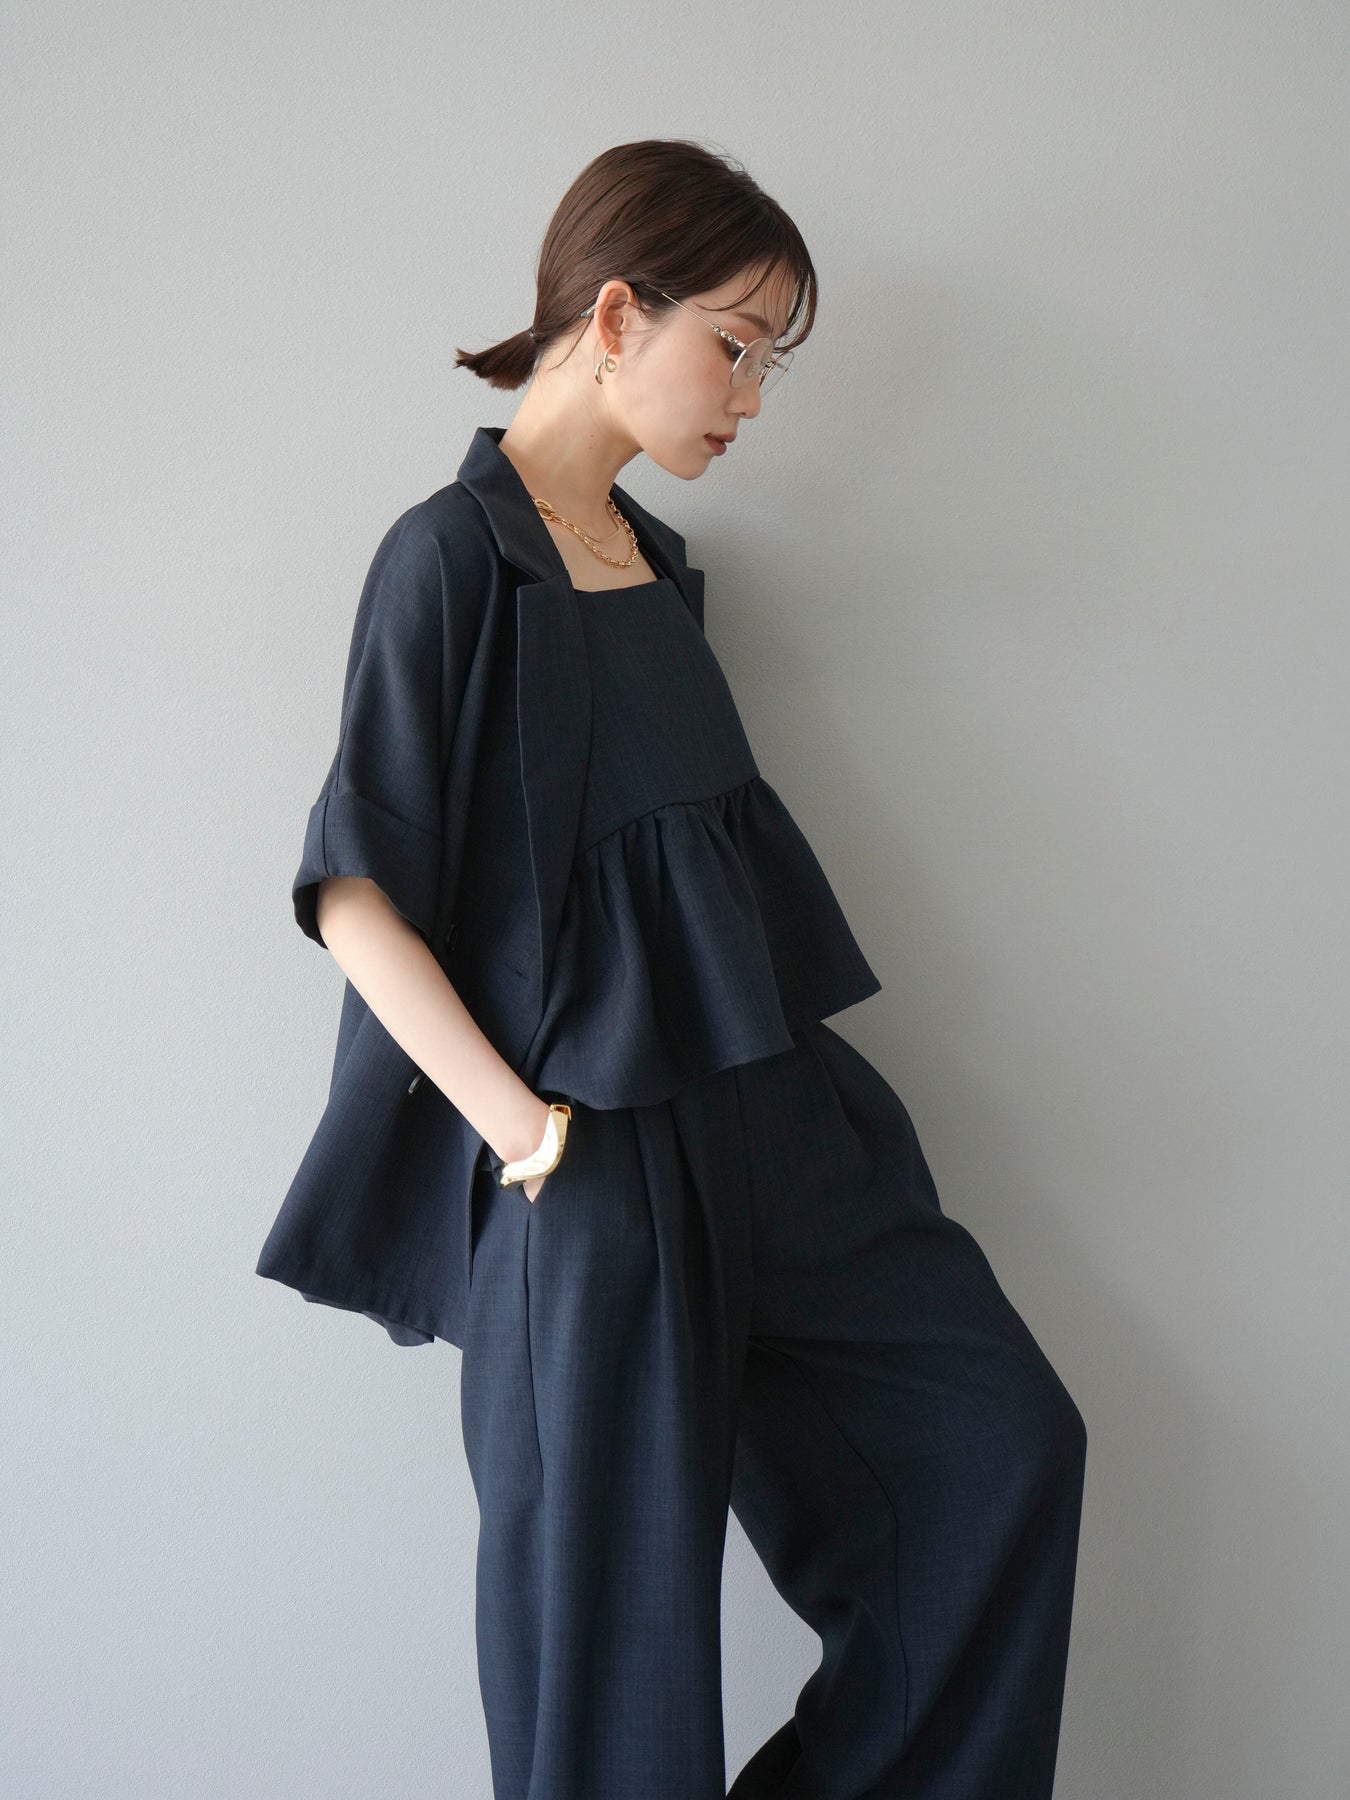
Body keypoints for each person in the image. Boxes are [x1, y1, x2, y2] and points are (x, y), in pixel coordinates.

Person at [257, 138, 1087, 1800]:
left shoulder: (658, 564)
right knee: (612, 1650)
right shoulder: (448, 556)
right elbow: (356, 892)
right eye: (738, 346)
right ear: (618, 315)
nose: (752, 399)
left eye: (773, 363)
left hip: (782, 1124)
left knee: (997, 1451)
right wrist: (525, 1136)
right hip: (592, 1161)